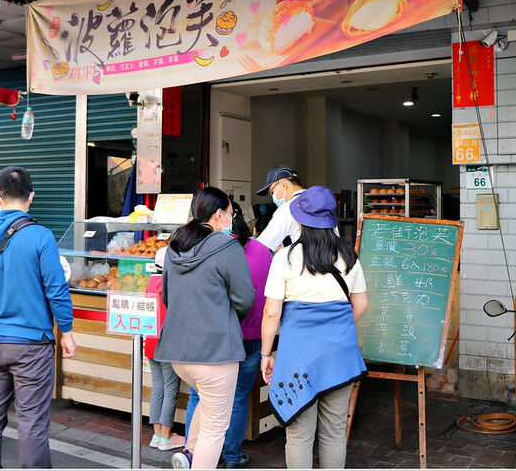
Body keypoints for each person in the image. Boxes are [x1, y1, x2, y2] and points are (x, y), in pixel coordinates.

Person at [0, 166, 76, 469]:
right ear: (31, 197)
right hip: (33, 344)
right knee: (32, 420)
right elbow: (56, 289)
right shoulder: (41, 236)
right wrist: (68, 331)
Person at [260, 186, 369, 469]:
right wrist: (337, 329)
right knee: (334, 433)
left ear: (299, 220)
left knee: (298, 435)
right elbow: (361, 304)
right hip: (340, 356)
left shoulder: (285, 258)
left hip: (298, 357)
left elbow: (272, 313)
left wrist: (265, 354)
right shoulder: (350, 256)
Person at [153, 187, 255, 470]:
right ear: (219, 214)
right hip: (215, 353)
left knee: (206, 408)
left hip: (178, 351)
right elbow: (245, 299)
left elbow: (167, 297)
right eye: (231, 214)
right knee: (215, 428)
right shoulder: (228, 248)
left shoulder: (174, 246)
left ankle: (189, 455)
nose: (231, 219)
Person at [185, 201, 271, 468]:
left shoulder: (206, 248)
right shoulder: (261, 250)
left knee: (198, 395)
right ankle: (231, 457)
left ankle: (193, 455)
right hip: (252, 334)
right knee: (236, 397)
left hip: (210, 336)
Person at [145, 247, 186, 451]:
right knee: (170, 389)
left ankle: (156, 435)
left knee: (157, 387)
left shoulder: (151, 281)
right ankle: (167, 436)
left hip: (150, 342)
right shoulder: (170, 283)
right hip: (167, 342)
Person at [254, 164, 305, 252]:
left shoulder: (287, 209)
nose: (273, 198)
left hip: (301, 264)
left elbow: (261, 247)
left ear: (283, 185)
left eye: (272, 192)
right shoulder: (320, 202)